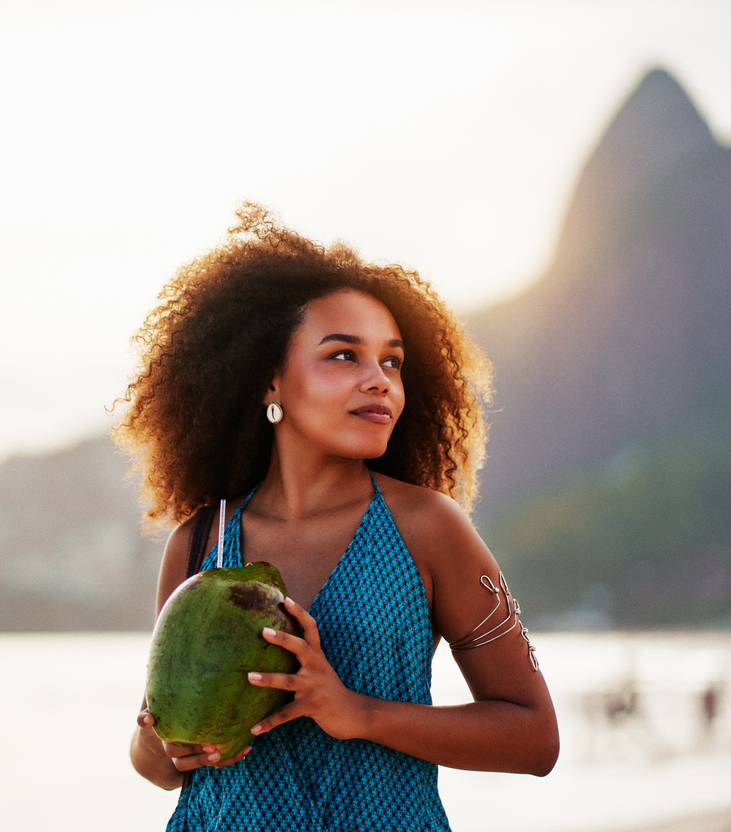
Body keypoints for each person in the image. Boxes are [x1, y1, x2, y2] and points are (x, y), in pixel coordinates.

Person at [115, 205, 560, 831]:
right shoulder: (200, 543)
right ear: (269, 380)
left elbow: (534, 737)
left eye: (392, 362)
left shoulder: (427, 528)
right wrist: (161, 745)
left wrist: (361, 713)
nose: (379, 381)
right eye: (344, 356)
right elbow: (160, 763)